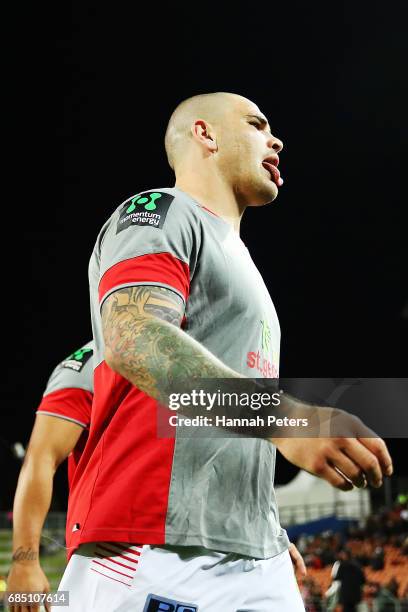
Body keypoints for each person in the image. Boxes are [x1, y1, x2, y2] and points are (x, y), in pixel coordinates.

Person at [59, 92, 392, 611]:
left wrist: (262, 525)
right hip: (152, 547)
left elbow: (223, 420)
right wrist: (287, 419)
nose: (276, 138)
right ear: (205, 135)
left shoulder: (244, 265)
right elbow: (133, 335)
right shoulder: (162, 212)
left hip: (252, 557)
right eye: (257, 124)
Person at [7, 342, 93, 612]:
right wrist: (25, 561)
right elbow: (41, 459)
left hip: (221, 552)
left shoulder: (207, 364)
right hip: (120, 557)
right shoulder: (93, 363)